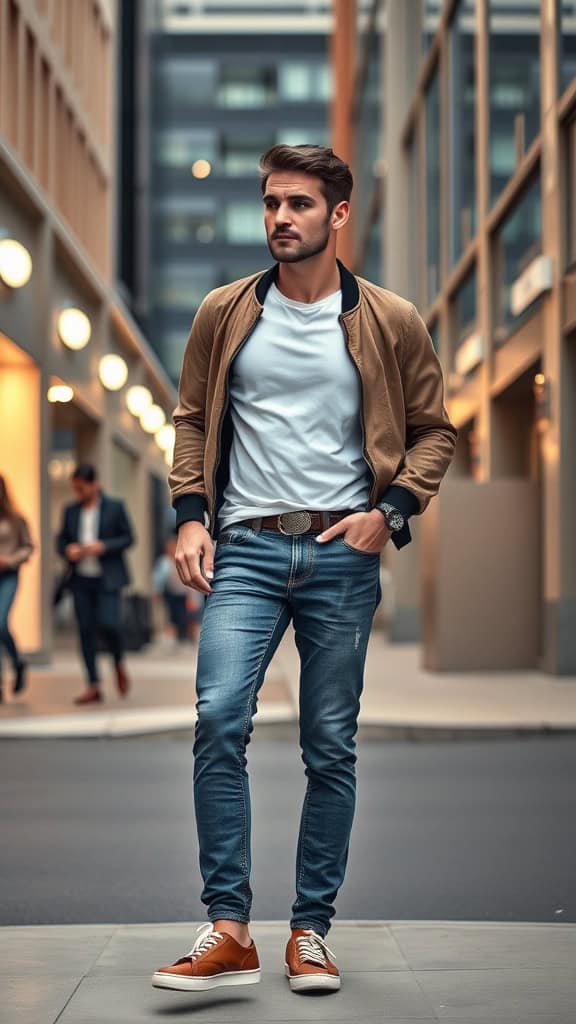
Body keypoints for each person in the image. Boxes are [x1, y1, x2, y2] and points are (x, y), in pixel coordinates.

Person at [152, 145, 457, 995]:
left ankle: (311, 932)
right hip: (246, 547)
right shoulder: (224, 312)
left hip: (340, 555)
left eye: (298, 204)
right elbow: (190, 418)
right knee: (218, 720)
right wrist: (188, 514)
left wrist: (389, 515)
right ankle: (228, 928)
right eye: (271, 203)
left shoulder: (389, 319)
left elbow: (436, 430)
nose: (280, 218)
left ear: (338, 215)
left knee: (330, 745)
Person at [56, 464, 134, 705]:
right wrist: (67, 550)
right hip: (80, 578)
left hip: (107, 578)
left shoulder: (115, 507)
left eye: (81, 488)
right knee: (85, 631)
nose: (77, 493)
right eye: (74, 489)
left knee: (109, 624)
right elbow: (61, 539)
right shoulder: (70, 510)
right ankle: (93, 685)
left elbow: (129, 538)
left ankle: (118, 663)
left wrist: (103, 546)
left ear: (93, 484)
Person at [0, 474, 34, 700]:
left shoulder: (15, 519)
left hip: (9, 575)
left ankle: (18, 663)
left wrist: (9, 560)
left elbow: (29, 547)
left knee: (0, 622)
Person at [153, 532, 203, 644]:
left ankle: (189, 636)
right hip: (170, 593)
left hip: (184, 593)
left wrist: (193, 597)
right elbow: (158, 579)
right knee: (171, 616)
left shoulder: (184, 558)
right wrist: (157, 592)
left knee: (188, 616)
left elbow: (191, 578)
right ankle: (171, 637)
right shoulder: (164, 562)